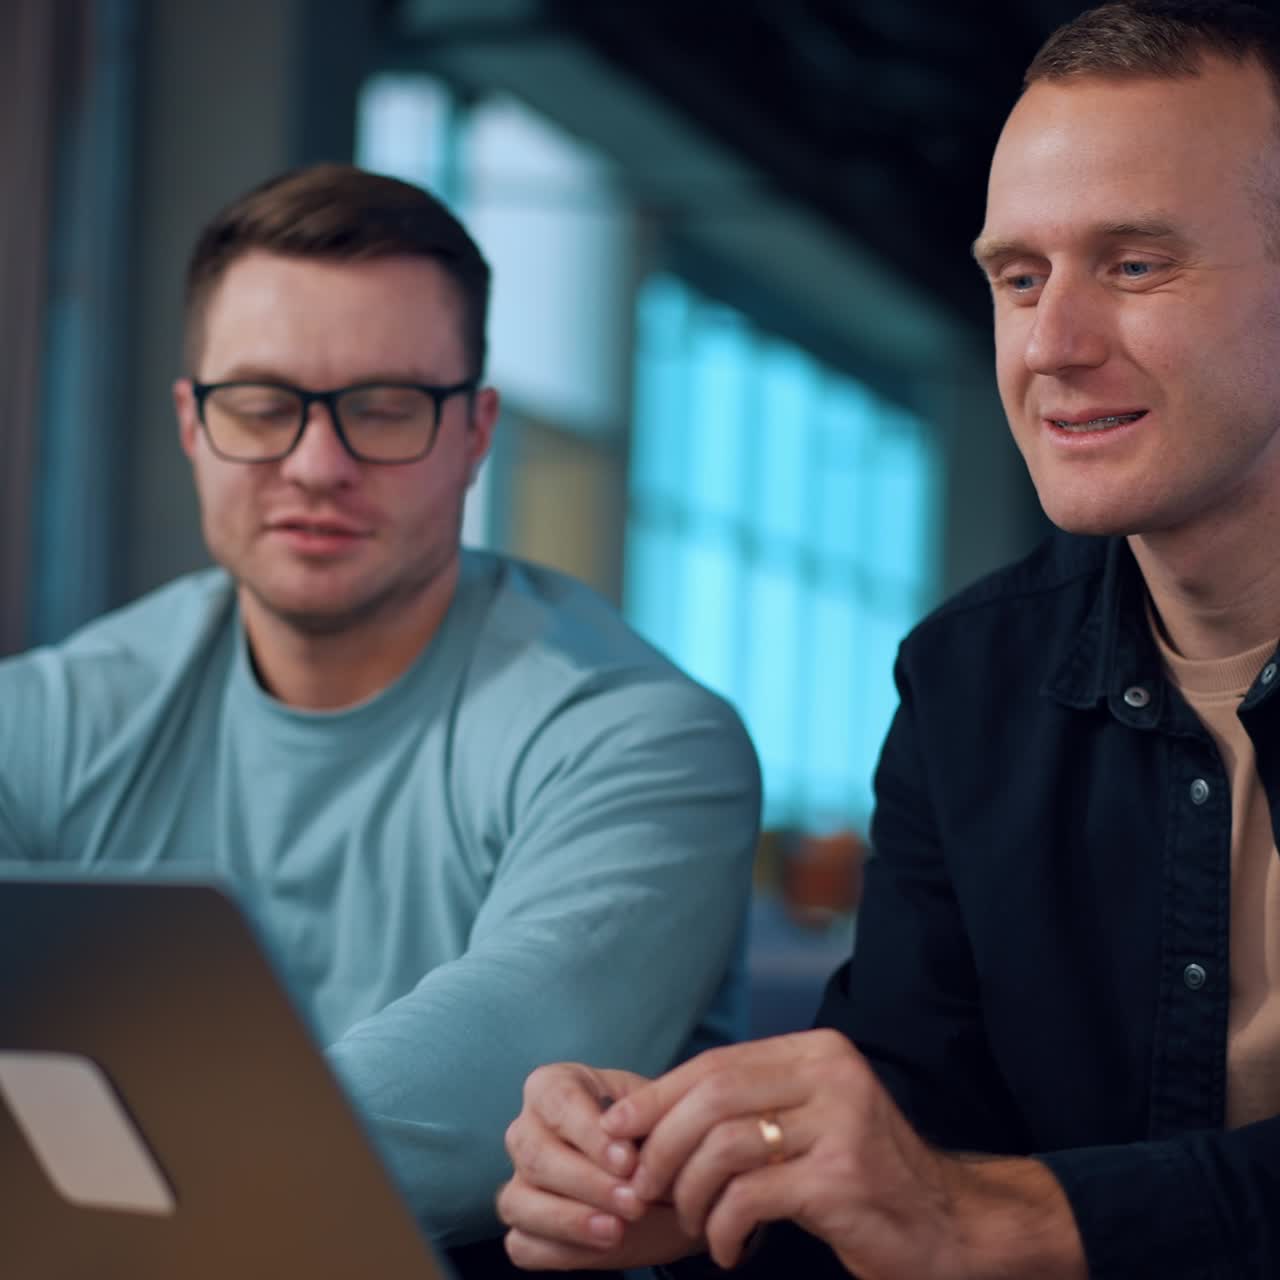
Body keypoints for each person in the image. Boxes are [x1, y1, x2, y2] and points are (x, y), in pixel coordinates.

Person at [496, 2, 1280, 1275]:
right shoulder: (968, 680)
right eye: (1017, 277)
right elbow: (912, 1130)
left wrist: (1002, 1217)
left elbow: (955, 1209)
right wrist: (703, 1175)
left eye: (1134, 265)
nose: (1050, 344)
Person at [0, 165, 761, 1264]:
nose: (317, 464)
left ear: (474, 432)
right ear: (190, 422)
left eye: (384, 409)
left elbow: (498, 1077)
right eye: (261, 407)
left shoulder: (636, 738)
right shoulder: (57, 712)